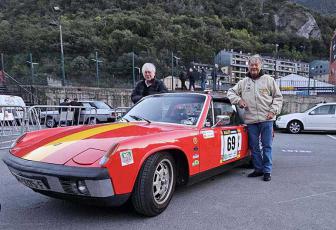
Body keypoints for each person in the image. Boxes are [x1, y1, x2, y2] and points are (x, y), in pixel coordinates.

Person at [227, 55, 283, 182]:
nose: (254, 67)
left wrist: (273, 111)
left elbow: (278, 98)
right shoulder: (243, 82)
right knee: (254, 146)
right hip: (251, 120)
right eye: (251, 65)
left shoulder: (269, 80)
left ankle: (267, 171)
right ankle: (258, 169)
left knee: (267, 146)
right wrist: (239, 99)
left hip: (267, 119)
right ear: (248, 66)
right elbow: (230, 92)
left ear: (260, 66)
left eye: (256, 65)